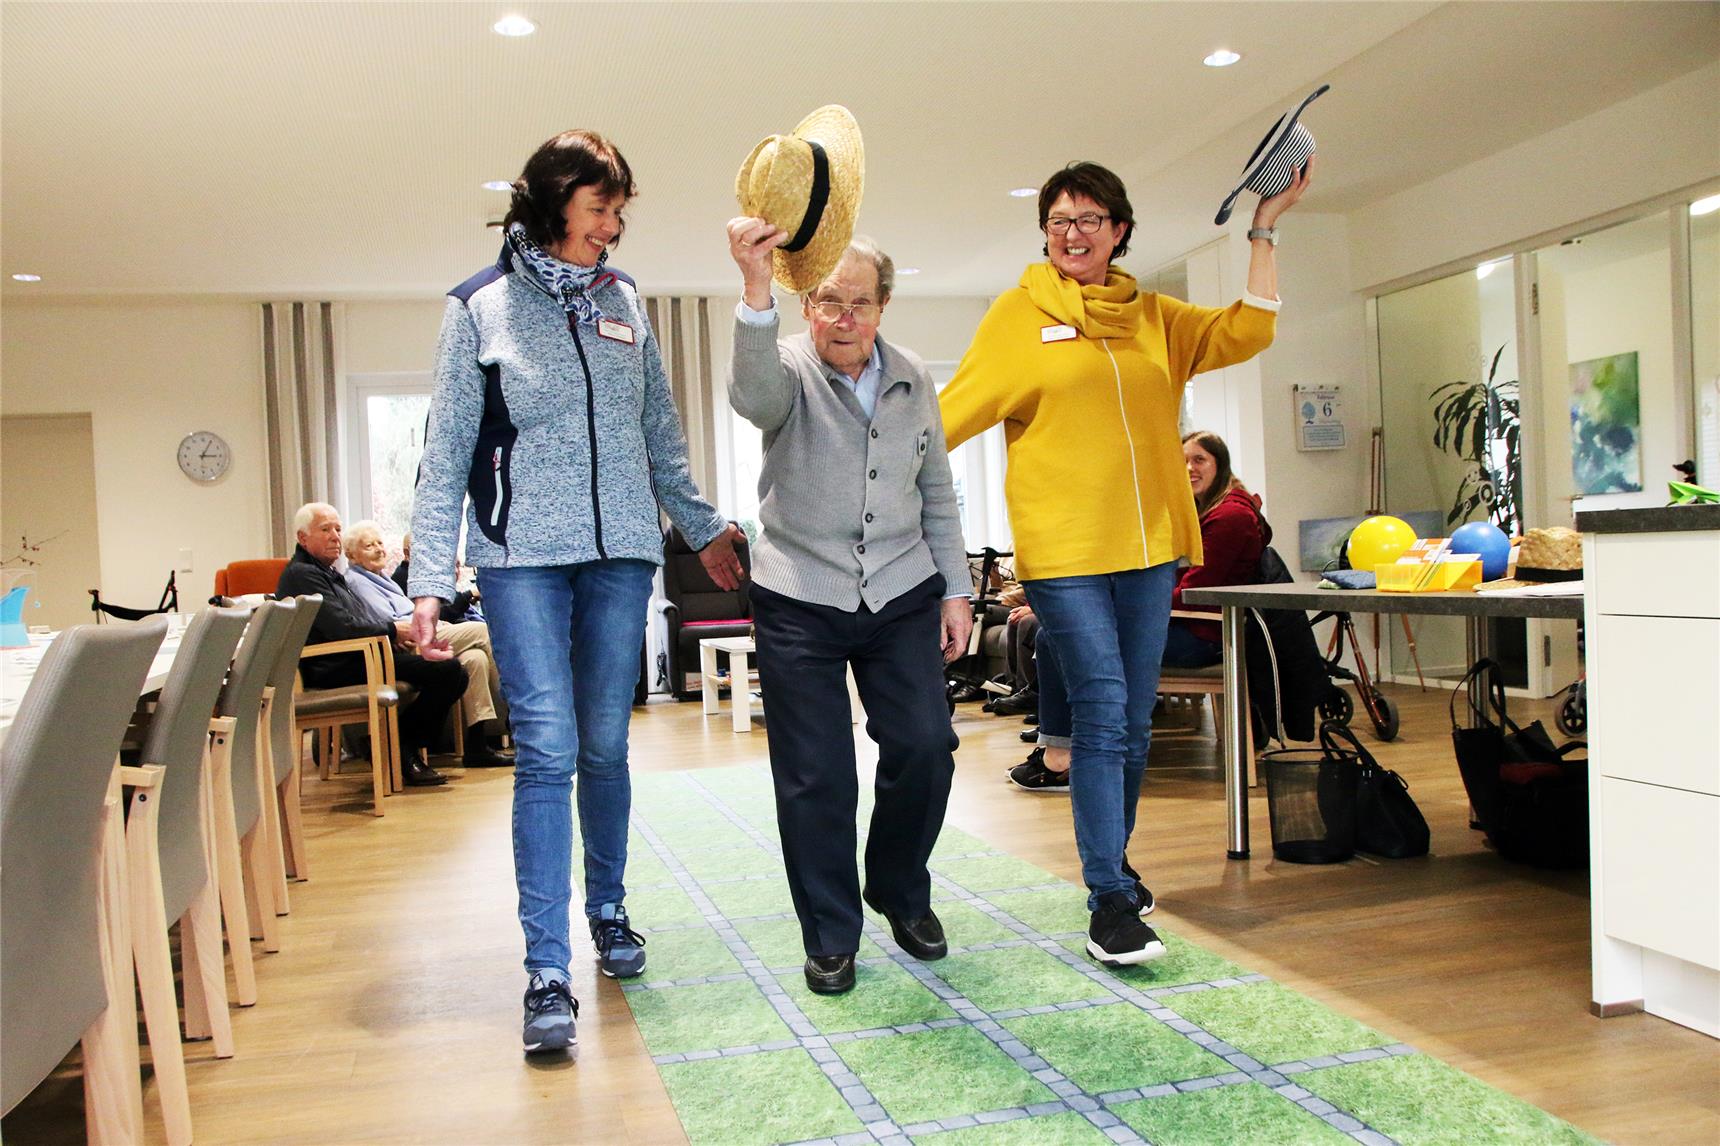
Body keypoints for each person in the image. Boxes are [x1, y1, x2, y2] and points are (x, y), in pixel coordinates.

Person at [408, 129, 744, 1056]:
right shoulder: (479, 307)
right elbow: (443, 457)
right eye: (601, 208)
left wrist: (704, 525)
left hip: (620, 554)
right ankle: (546, 967)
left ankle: (610, 911)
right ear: (554, 203)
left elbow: (659, 432)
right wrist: (429, 581)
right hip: (518, 558)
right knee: (547, 748)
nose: (614, 225)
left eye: (620, 210)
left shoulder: (625, 300)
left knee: (604, 745)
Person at [940, 158, 1310, 966]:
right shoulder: (1017, 316)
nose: (1074, 235)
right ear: (1044, 233)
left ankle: (1116, 864)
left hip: (1149, 550)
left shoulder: (1155, 318)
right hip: (1065, 550)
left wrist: (1264, 226)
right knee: (1105, 706)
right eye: (1059, 221)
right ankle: (1108, 898)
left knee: (1132, 718)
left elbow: (1249, 329)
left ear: (1120, 231)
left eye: (1091, 220)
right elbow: (944, 420)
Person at [726, 218, 971, 996]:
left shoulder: (913, 375)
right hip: (799, 591)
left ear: (883, 306)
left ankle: (898, 887)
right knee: (815, 773)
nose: (843, 318)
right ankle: (831, 933)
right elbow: (752, 397)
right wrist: (755, 289)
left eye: (859, 303)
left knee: (927, 746)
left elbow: (935, 488)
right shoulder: (788, 368)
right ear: (807, 306)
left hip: (901, 587)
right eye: (828, 301)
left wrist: (957, 588)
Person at [1009, 430, 1270, 794]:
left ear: (1219, 465)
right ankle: (1066, 742)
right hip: (1179, 625)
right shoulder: (1202, 510)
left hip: (1201, 635)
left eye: (1199, 460)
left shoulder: (1230, 517)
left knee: (1056, 637)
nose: (1189, 469)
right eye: (1181, 462)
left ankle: (1061, 757)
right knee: (1057, 634)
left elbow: (1193, 592)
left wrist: (1122, 606)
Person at [276, 503, 466, 787]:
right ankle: (401, 745)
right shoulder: (304, 574)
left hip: (359, 657)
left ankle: (396, 744)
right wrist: (392, 631)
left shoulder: (326, 571)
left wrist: (389, 637)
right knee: (449, 671)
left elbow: (355, 620)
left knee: (452, 670)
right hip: (337, 666)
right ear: (303, 538)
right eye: (325, 529)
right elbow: (343, 628)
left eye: (338, 529)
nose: (335, 537)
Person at [342, 520, 512, 768]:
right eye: (369, 546)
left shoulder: (382, 579)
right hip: (412, 642)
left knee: (475, 659)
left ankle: (477, 745)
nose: (379, 549)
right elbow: (393, 622)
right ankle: (515, 718)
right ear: (352, 555)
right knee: (483, 631)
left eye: (379, 543)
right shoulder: (358, 582)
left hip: (425, 632)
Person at [393, 531, 480, 623]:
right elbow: (440, 613)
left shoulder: (423, 574)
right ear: (407, 553)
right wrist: (469, 594)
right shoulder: (407, 578)